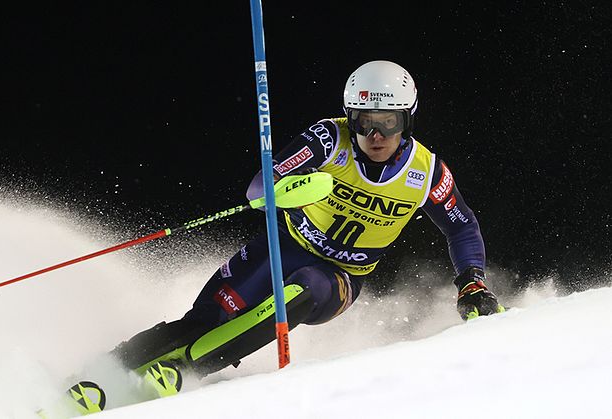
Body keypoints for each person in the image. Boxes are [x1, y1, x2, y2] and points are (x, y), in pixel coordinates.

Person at [110, 60, 504, 399]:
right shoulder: (329, 139)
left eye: (389, 122)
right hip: (282, 247)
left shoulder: (426, 172)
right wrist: (285, 191)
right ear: (352, 117)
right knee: (202, 319)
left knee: (306, 287)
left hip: (341, 277)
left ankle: (190, 370)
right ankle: (104, 370)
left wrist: (472, 282)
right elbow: (259, 188)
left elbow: (462, 227)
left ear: (407, 119)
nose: (376, 136)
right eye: (365, 122)